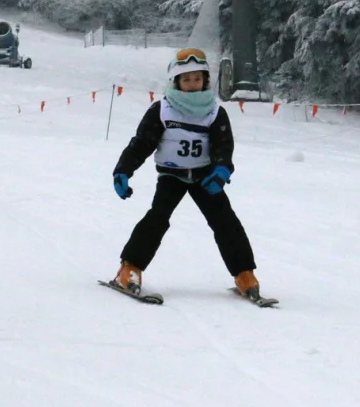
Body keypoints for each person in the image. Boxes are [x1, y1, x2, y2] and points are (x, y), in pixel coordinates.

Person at [110, 48, 261, 299]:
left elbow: (224, 146)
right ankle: (129, 268)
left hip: (205, 177)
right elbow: (141, 143)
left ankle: (244, 273)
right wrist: (123, 170)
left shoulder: (214, 112)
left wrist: (221, 171)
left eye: (198, 79)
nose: (193, 85)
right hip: (172, 175)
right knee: (157, 218)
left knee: (225, 221)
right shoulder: (163, 110)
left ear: (205, 81)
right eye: (187, 79)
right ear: (177, 82)